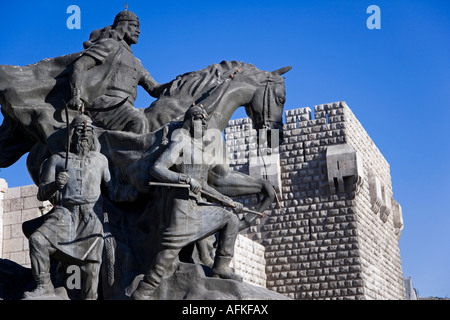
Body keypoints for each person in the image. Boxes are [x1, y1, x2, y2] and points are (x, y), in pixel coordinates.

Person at [131, 104, 243, 300]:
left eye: (205, 121)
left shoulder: (201, 151)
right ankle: (143, 292)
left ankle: (221, 266)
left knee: (230, 219)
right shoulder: (180, 142)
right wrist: (184, 179)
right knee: (167, 255)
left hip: (197, 207)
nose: (203, 124)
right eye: (200, 120)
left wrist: (227, 201)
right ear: (191, 121)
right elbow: (157, 169)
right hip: (180, 209)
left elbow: (202, 186)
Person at [23, 115, 119, 300]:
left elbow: (113, 191)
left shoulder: (101, 160)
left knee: (91, 267)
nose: (84, 134)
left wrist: (137, 189)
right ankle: (44, 286)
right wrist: (55, 185)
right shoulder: (56, 160)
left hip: (91, 216)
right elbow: (42, 194)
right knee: (37, 240)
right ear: (71, 134)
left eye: (88, 131)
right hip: (64, 214)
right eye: (79, 130)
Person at [68, 9, 168, 134]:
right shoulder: (110, 45)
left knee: (153, 121)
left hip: (124, 107)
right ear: (123, 25)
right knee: (138, 121)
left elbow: (155, 89)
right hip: (104, 105)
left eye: (139, 27)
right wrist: (75, 95)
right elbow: (80, 65)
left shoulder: (136, 62)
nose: (138, 31)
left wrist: (181, 82)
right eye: (134, 26)